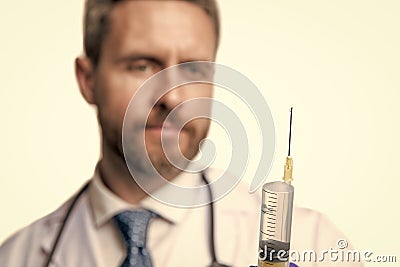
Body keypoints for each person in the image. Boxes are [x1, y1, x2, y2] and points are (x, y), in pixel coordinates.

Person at [0, 1, 364, 267]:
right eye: (142, 65)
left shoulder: (312, 244)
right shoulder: (19, 258)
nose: (171, 96)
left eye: (193, 69)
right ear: (88, 80)